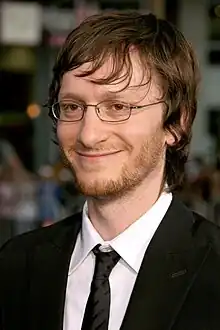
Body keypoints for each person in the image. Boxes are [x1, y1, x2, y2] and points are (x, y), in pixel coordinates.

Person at [1, 11, 220, 330]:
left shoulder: (213, 271)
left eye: (118, 107)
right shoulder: (16, 265)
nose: (89, 135)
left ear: (175, 123)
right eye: (73, 107)